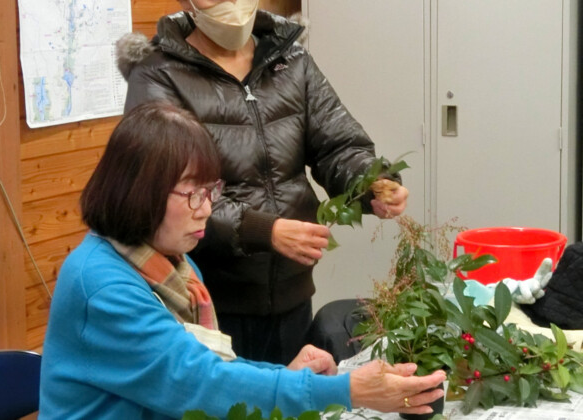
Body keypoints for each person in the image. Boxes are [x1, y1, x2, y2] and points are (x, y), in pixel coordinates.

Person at [39, 102, 443, 419]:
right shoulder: (104, 289)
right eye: (192, 193)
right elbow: (204, 384)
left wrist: (285, 378)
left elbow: (210, 366)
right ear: (140, 192)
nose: (206, 208)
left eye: (210, 190)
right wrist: (346, 390)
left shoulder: (171, 264)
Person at [116, 0, 410, 364]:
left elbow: (338, 145)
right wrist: (263, 230)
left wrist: (372, 183)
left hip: (291, 294)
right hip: (209, 299)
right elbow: (170, 189)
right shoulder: (159, 73)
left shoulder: (291, 60)